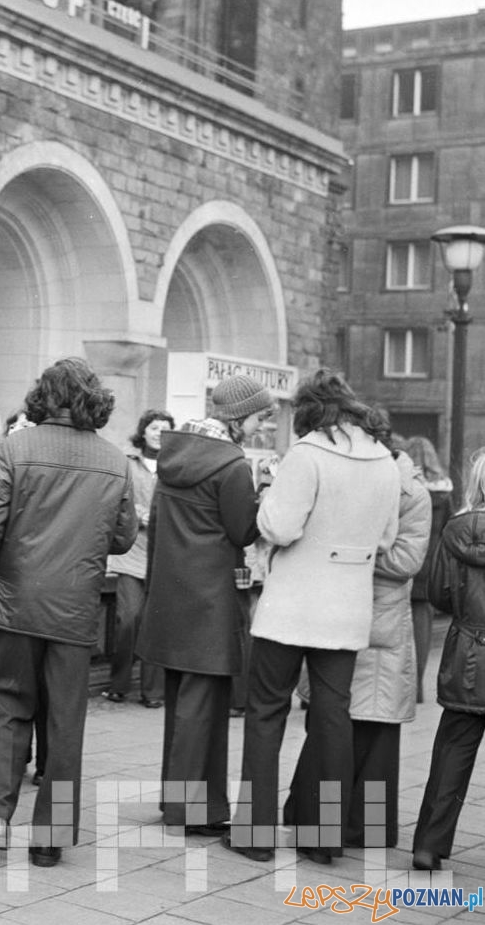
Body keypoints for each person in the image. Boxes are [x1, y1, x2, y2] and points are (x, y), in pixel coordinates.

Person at [0, 359, 136, 867]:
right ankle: (50, 837)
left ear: (44, 396)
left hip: (17, 601)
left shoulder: (18, 447)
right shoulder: (114, 460)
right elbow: (123, 537)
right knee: (65, 721)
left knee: (8, 707)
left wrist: (0, 566)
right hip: (76, 607)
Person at [228, 369, 400, 865]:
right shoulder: (384, 460)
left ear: (309, 411)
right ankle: (323, 836)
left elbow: (280, 527)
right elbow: (386, 538)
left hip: (293, 604)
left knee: (266, 711)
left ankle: (256, 833)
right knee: (332, 718)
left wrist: (262, 508)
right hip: (347, 605)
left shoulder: (307, 455)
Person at [284, 418, 430, 849]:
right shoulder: (350, 478)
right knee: (331, 723)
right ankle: (314, 820)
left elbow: (406, 560)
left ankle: (360, 828)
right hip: (338, 613)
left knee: (373, 730)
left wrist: (347, 552)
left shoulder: (411, 492)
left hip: (378, 625)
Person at [136, 374, 266, 836]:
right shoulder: (232, 466)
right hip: (211, 598)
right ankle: (187, 810)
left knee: (185, 702)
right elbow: (242, 531)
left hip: (173, 594)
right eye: (258, 418)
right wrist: (264, 497)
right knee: (202, 704)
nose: (260, 427)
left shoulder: (176, 454)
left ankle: (196, 802)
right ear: (237, 417)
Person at [411, 449, 485, 872]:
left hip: (468, 655)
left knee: (453, 753)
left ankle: (429, 846)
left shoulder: (456, 529)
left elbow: (438, 594)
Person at [104, 408, 173, 707]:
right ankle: (118, 683)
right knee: (128, 619)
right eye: (154, 427)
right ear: (143, 431)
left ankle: (153, 692)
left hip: (164, 556)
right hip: (131, 553)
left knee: (157, 622)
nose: (159, 432)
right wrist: (141, 516)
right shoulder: (128, 465)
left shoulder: (176, 467)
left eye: (165, 428)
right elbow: (116, 502)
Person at [402, 435, 454, 703]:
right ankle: (418, 689)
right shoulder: (444, 493)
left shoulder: (406, 487)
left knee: (401, 629)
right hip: (430, 567)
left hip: (405, 562)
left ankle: (402, 685)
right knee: (423, 628)